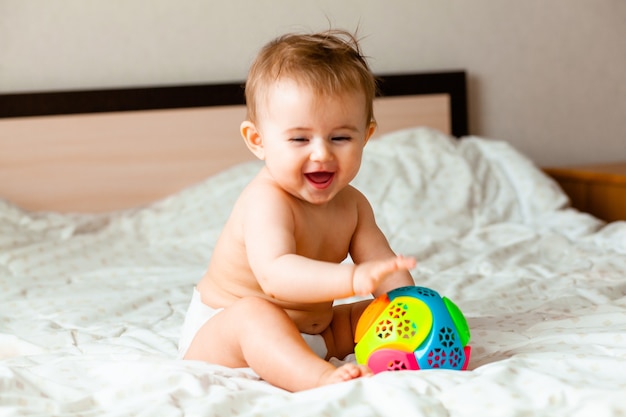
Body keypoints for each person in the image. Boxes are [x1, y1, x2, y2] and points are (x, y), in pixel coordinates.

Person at [178, 29, 416, 392]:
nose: (321, 153)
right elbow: (276, 276)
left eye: (340, 137)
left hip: (315, 335)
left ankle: (315, 359)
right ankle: (319, 378)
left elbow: (382, 267)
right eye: (300, 139)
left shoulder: (354, 205)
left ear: (365, 137)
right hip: (227, 336)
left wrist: (409, 307)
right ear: (258, 141)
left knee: (373, 314)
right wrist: (353, 279)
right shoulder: (266, 200)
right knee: (255, 314)